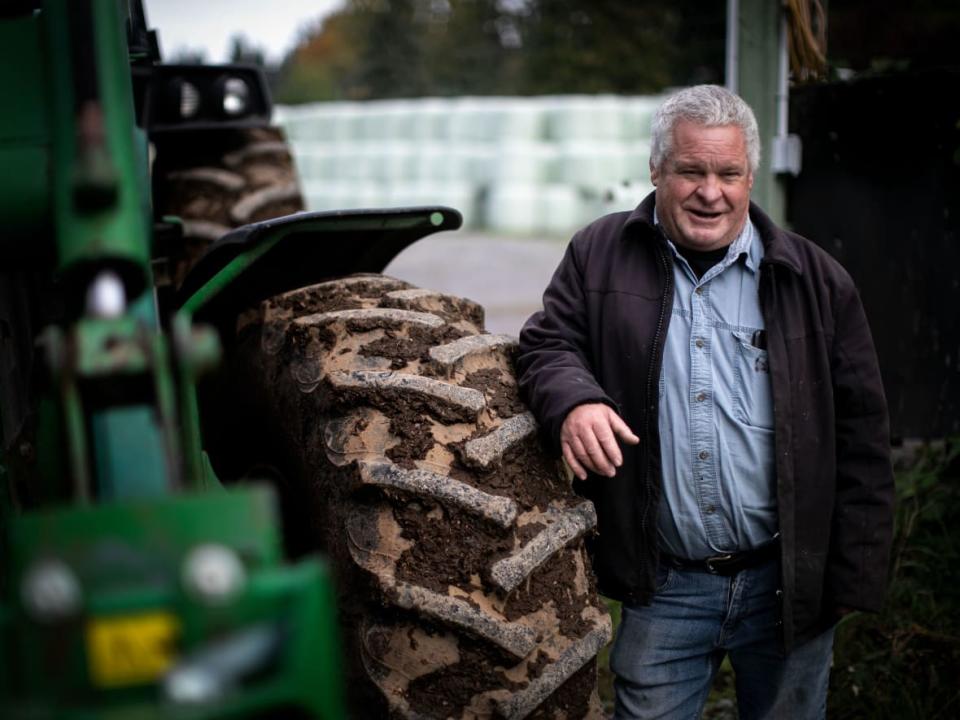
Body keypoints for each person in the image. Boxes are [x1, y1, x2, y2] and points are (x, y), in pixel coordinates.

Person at [516, 85, 894, 719]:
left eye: (728, 173)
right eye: (691, 171)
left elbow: (861, 434)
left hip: (787, 585)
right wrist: (575, 401)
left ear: (750, 175)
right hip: (665, 585)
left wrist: (850, 578)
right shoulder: (598, 254)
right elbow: (546, 344)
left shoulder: (816, 279)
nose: (710, 192)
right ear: (657, 171)